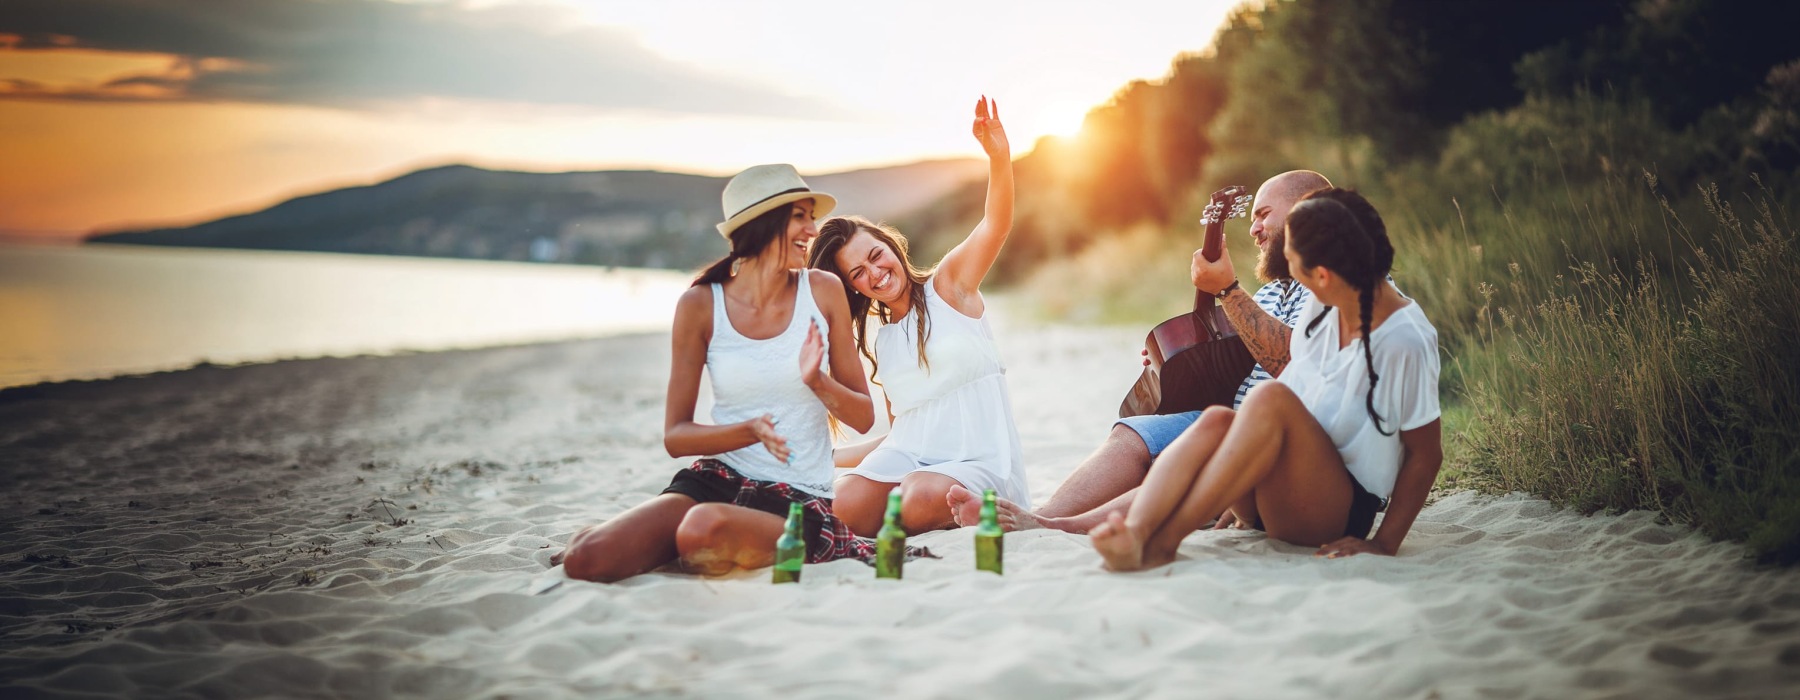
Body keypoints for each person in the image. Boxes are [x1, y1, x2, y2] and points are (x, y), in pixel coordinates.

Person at [552, 164, 886, 582]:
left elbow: (863, 417)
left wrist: (818, 382)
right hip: (718, 479)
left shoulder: (822, 290)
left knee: (701, 530)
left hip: (797, 499)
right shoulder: (699, 305)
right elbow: (676, 436)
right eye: (800, 216)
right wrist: (750, 431)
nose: (813, 230)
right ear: (763, 224)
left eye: (810, 216)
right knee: (585, 559)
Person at [949, 170, 1332, 533]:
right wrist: (1180, 364)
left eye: (1263, 214)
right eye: (1252, 218)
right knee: (1133, 433)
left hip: (1282, 441)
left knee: (1193, 449)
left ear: (1307, 208)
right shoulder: (1269, 293)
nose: (1253, 229)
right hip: (1231, 418)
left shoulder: (1344, 288)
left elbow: (1293, 364)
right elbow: (1238, 361)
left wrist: (1229, 290)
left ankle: (1059, 527)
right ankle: (1042, 516)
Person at [1090, 188, 1443, 569]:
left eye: (1295, 267)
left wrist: (1385, 543)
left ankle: (1163, 542)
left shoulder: (1404, 338)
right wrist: (1231, 478)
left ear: (1322, 275)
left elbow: (1426, 454)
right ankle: (1140, 531)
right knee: (1217, 419)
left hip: (1333, 508)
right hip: (1280, 484)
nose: (1293, 278)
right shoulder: (1326, 307)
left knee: (1270, 398)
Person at [806, 96, 1028, 536]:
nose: (875, 272)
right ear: (851, 286)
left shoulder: (949, 286)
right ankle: (897, 508)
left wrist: (999, 159)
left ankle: (916, 509)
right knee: (841, 503)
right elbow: (902, 434)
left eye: (876, 255)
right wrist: (824, 455)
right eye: (858, 272)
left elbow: (995, 225)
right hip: (907, 462)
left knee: (920, 495)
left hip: (976, 460)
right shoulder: (883, 341)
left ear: (891, 245)